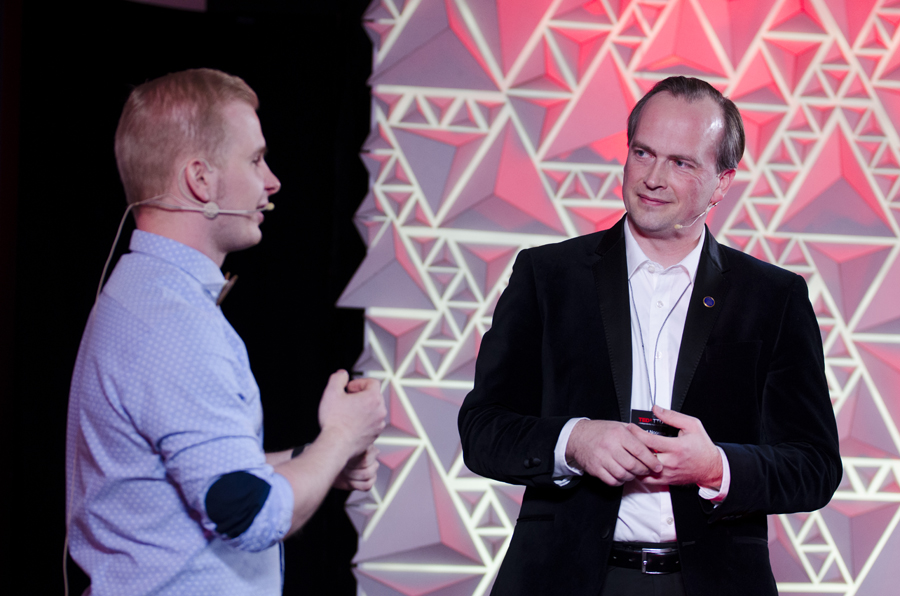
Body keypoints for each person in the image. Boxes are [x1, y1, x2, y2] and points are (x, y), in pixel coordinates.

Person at [458, 76, 841, 596]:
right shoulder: (547, 276)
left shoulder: (774, 297)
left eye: (681, 163)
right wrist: (573, 441)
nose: (653, 178)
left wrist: (717, 466)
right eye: (643, 153)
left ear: (722, 182)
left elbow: (815, 467)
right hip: (564, 581)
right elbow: (482, 430)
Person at [65, 68, 387, 596]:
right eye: (255, 160)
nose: (272, 182)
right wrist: (341, 438)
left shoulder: (148, 295)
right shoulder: (172, 323)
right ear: (201, 180)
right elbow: (248, 513)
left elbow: (205, 474)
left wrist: (316, 460)